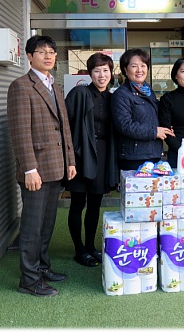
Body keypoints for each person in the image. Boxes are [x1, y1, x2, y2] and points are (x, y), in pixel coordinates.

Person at [7, 35, 77, 297]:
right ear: (29, 56)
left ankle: (42, 267)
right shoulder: (21, 86)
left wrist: (70, 160)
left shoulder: (54, 86)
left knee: (47, 225)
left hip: (55, 166)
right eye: (42, 52)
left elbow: (64, 127)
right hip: (35, 169)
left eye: (51, 52)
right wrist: (29, 169)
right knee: (32, 227)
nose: (48, 56)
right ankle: (29, 279)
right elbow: (20, 131)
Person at [64, 53, 118, 267]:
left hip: (103, 153)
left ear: (111, 73)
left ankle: (91, 246)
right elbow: (65, 124)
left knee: (95, 203)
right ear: (90, 73)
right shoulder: (79, 93)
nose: (102, 75)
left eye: (106, 70)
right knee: (78, 202)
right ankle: (79, 250)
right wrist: (71, 154)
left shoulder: (113, 98)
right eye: (97, 71)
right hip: (81, 153)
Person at [111, 48, 174, 171]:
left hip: (154, 153)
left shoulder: (148, 91)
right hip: (134, 157)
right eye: (134, 66)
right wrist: (154, 132)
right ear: (125, 69)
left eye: (143, 65)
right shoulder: (122, 94)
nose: (139, 70)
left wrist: (166, 127)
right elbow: (124, 125)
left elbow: (151, 118)